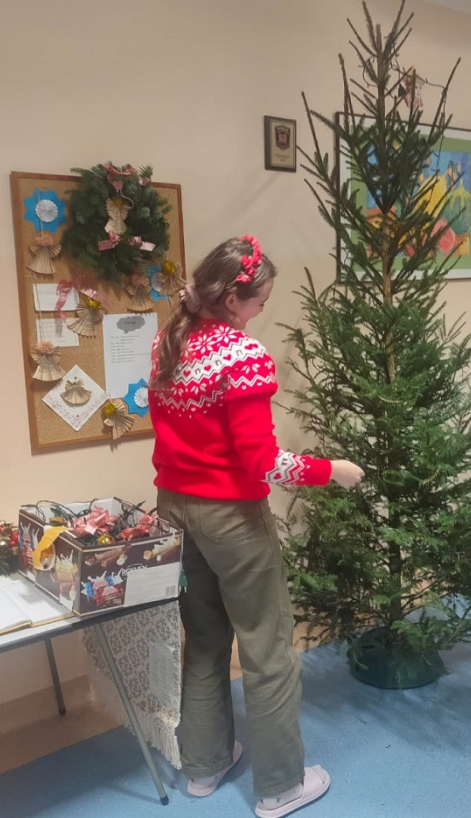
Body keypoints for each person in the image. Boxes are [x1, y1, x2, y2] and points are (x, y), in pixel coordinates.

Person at [148, 235, 365, 816]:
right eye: (262, 297)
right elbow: (262, 461)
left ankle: (204, 764)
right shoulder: (242, 356)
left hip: (175, 509)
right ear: (236, 297)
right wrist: (332, 469)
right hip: (230, 517)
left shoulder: (170, 341)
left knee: (205, 639)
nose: (266, 306)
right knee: (269, 650)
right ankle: (279, 786)